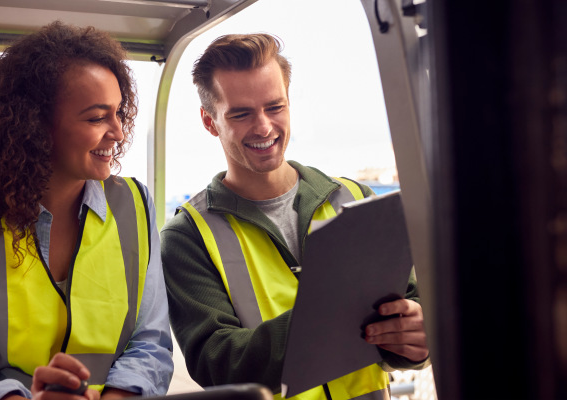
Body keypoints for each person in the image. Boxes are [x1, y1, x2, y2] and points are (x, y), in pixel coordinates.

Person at [0, 21, 173, 400]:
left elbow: (151, 342)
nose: (117, 131)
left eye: (119, 112)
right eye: (97, 117)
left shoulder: (136, 204)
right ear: (35, 126)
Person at [160, 33, 430, 399]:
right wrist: (330, 314)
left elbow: (410, 312)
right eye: (241, 114)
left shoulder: (355, 197)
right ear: (210, 122)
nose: (264, 127)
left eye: (275, 107)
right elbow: (217, 364)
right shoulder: (187, 236)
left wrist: (417, 340)